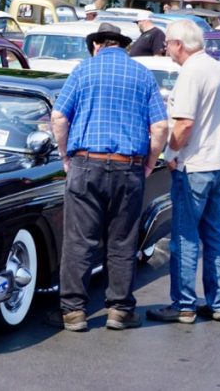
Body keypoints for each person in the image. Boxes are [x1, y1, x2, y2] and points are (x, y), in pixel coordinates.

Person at [50, 22, 168, 332]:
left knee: (79, 241)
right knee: (122, 240)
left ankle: (73, 311)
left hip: (86, 163)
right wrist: (149, 162)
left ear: (96, 45)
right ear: (123, 46)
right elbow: (160, 128)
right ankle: (119, 310)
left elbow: (59, 116)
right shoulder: (142, 74)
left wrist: (65, 157)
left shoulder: (83, 71)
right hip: (128, 166)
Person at [147, 20, 220, 324]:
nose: (166, 48)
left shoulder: (191, 73)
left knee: (185, 236)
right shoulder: (215, 68)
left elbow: (183, 124)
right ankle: (219, 302)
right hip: (218, 163)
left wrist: (171, 153)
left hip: (193, 165)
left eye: (168, 42)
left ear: (179, 44)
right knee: (214, 234)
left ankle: (184, 304)